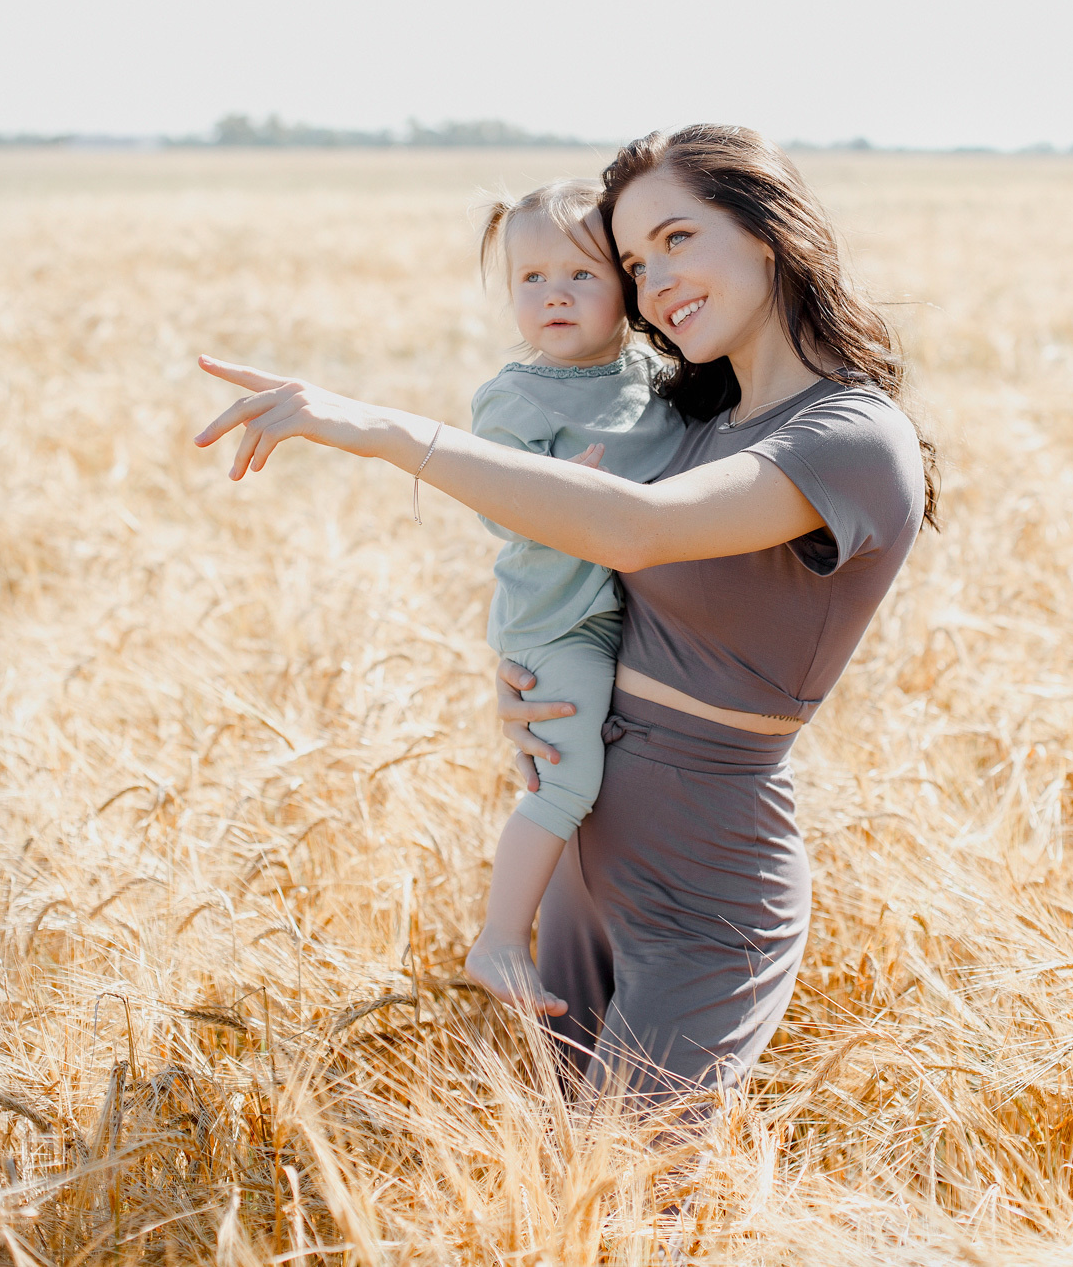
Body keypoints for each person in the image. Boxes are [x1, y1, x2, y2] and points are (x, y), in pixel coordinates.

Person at [194, 123, 937, 1108]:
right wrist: (531, 674)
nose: (653, 279)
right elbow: (589, 571)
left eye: (677, 238)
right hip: (586, 851)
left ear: (765, 234)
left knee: (637, 1183)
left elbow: (630, 530)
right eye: (632, 260)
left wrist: (375, 428)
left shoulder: (850, 435)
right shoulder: (696, 421)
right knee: (564, 1187)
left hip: (705, 876)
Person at [464, 180, 683, 1015]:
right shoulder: (515, 397)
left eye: (581, 276)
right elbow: (489, 502)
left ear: (626, 290)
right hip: (560, 620)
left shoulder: (652, 375)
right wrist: (557, 490)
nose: (553, 293)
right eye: (530, 279)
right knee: (565, 783)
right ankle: (499, 941)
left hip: (628, 608)